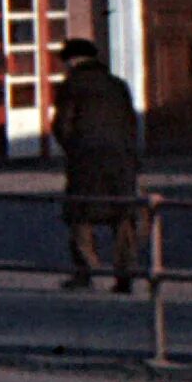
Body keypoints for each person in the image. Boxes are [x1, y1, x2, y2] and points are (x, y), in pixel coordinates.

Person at [50, 36, 143, 292]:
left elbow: (62, 125)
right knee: (123, 215)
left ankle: (85, 269)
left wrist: (72, 148)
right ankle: (124, 275)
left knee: (80, 214)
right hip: (120, 158)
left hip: (86, 158)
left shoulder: (72, 85)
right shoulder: (118, 85)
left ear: (71, 60)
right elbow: (131, 123)